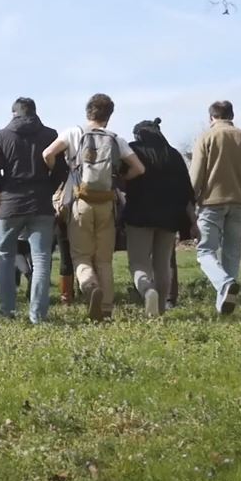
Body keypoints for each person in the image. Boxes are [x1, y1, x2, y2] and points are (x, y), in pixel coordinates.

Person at [42, 93, 145, 322]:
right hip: (106, 203)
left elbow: (47, 153)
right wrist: (120, 178)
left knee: (81, 256)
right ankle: (106, 308)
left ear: (88, 111)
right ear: (109, 116)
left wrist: (58, 171)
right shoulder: (116, 139)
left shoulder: (73, 133)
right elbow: (139, 169)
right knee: (104, 260)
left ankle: (90, 288)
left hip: (80, 202)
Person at [0, 97, 68, 324]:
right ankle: (38, 314)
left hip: (11, 204)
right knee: (41, 259)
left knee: (5, 256)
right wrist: (48, 188)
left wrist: (5, 189)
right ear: (34, 111)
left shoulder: (1, 135)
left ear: (14, 113)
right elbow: (61, 169)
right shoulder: (50, 135)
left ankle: (7, 310)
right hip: (41, 203)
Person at [189, 99, 241, 315]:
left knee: (205, 251)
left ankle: (225, 283)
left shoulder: (206, 137)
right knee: (232, 253)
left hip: (212, 202)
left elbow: (196, 175)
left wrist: (189, 202)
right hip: (240, 203)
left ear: (211, 117)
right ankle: (225, 305)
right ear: (232, 116)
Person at [123, 118, 194, 317]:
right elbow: (187, 191)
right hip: (169, 218)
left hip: (139, 216)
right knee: (162, 265)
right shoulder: (174, 155)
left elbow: (122, 179)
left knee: (138, 263)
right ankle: (161, 309)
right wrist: (191, 220)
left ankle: (148, 291)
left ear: (138, 135)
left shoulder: (133, 150)